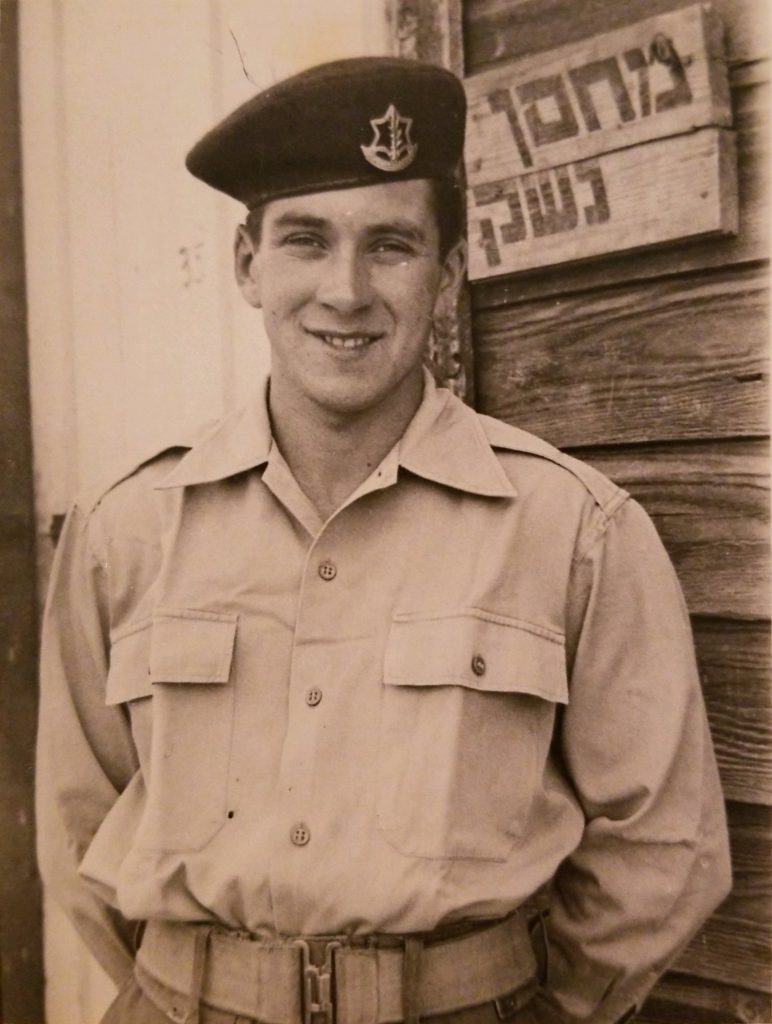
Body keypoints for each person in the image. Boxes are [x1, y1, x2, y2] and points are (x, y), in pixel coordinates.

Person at [36, 57, 732, 1024]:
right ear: (249, 265)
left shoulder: (574, 529)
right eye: (307, 241)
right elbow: (78, 832)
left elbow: (665, 850)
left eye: (391, 245)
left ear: (447, 275)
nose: (346, 290)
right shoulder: (127, 530)